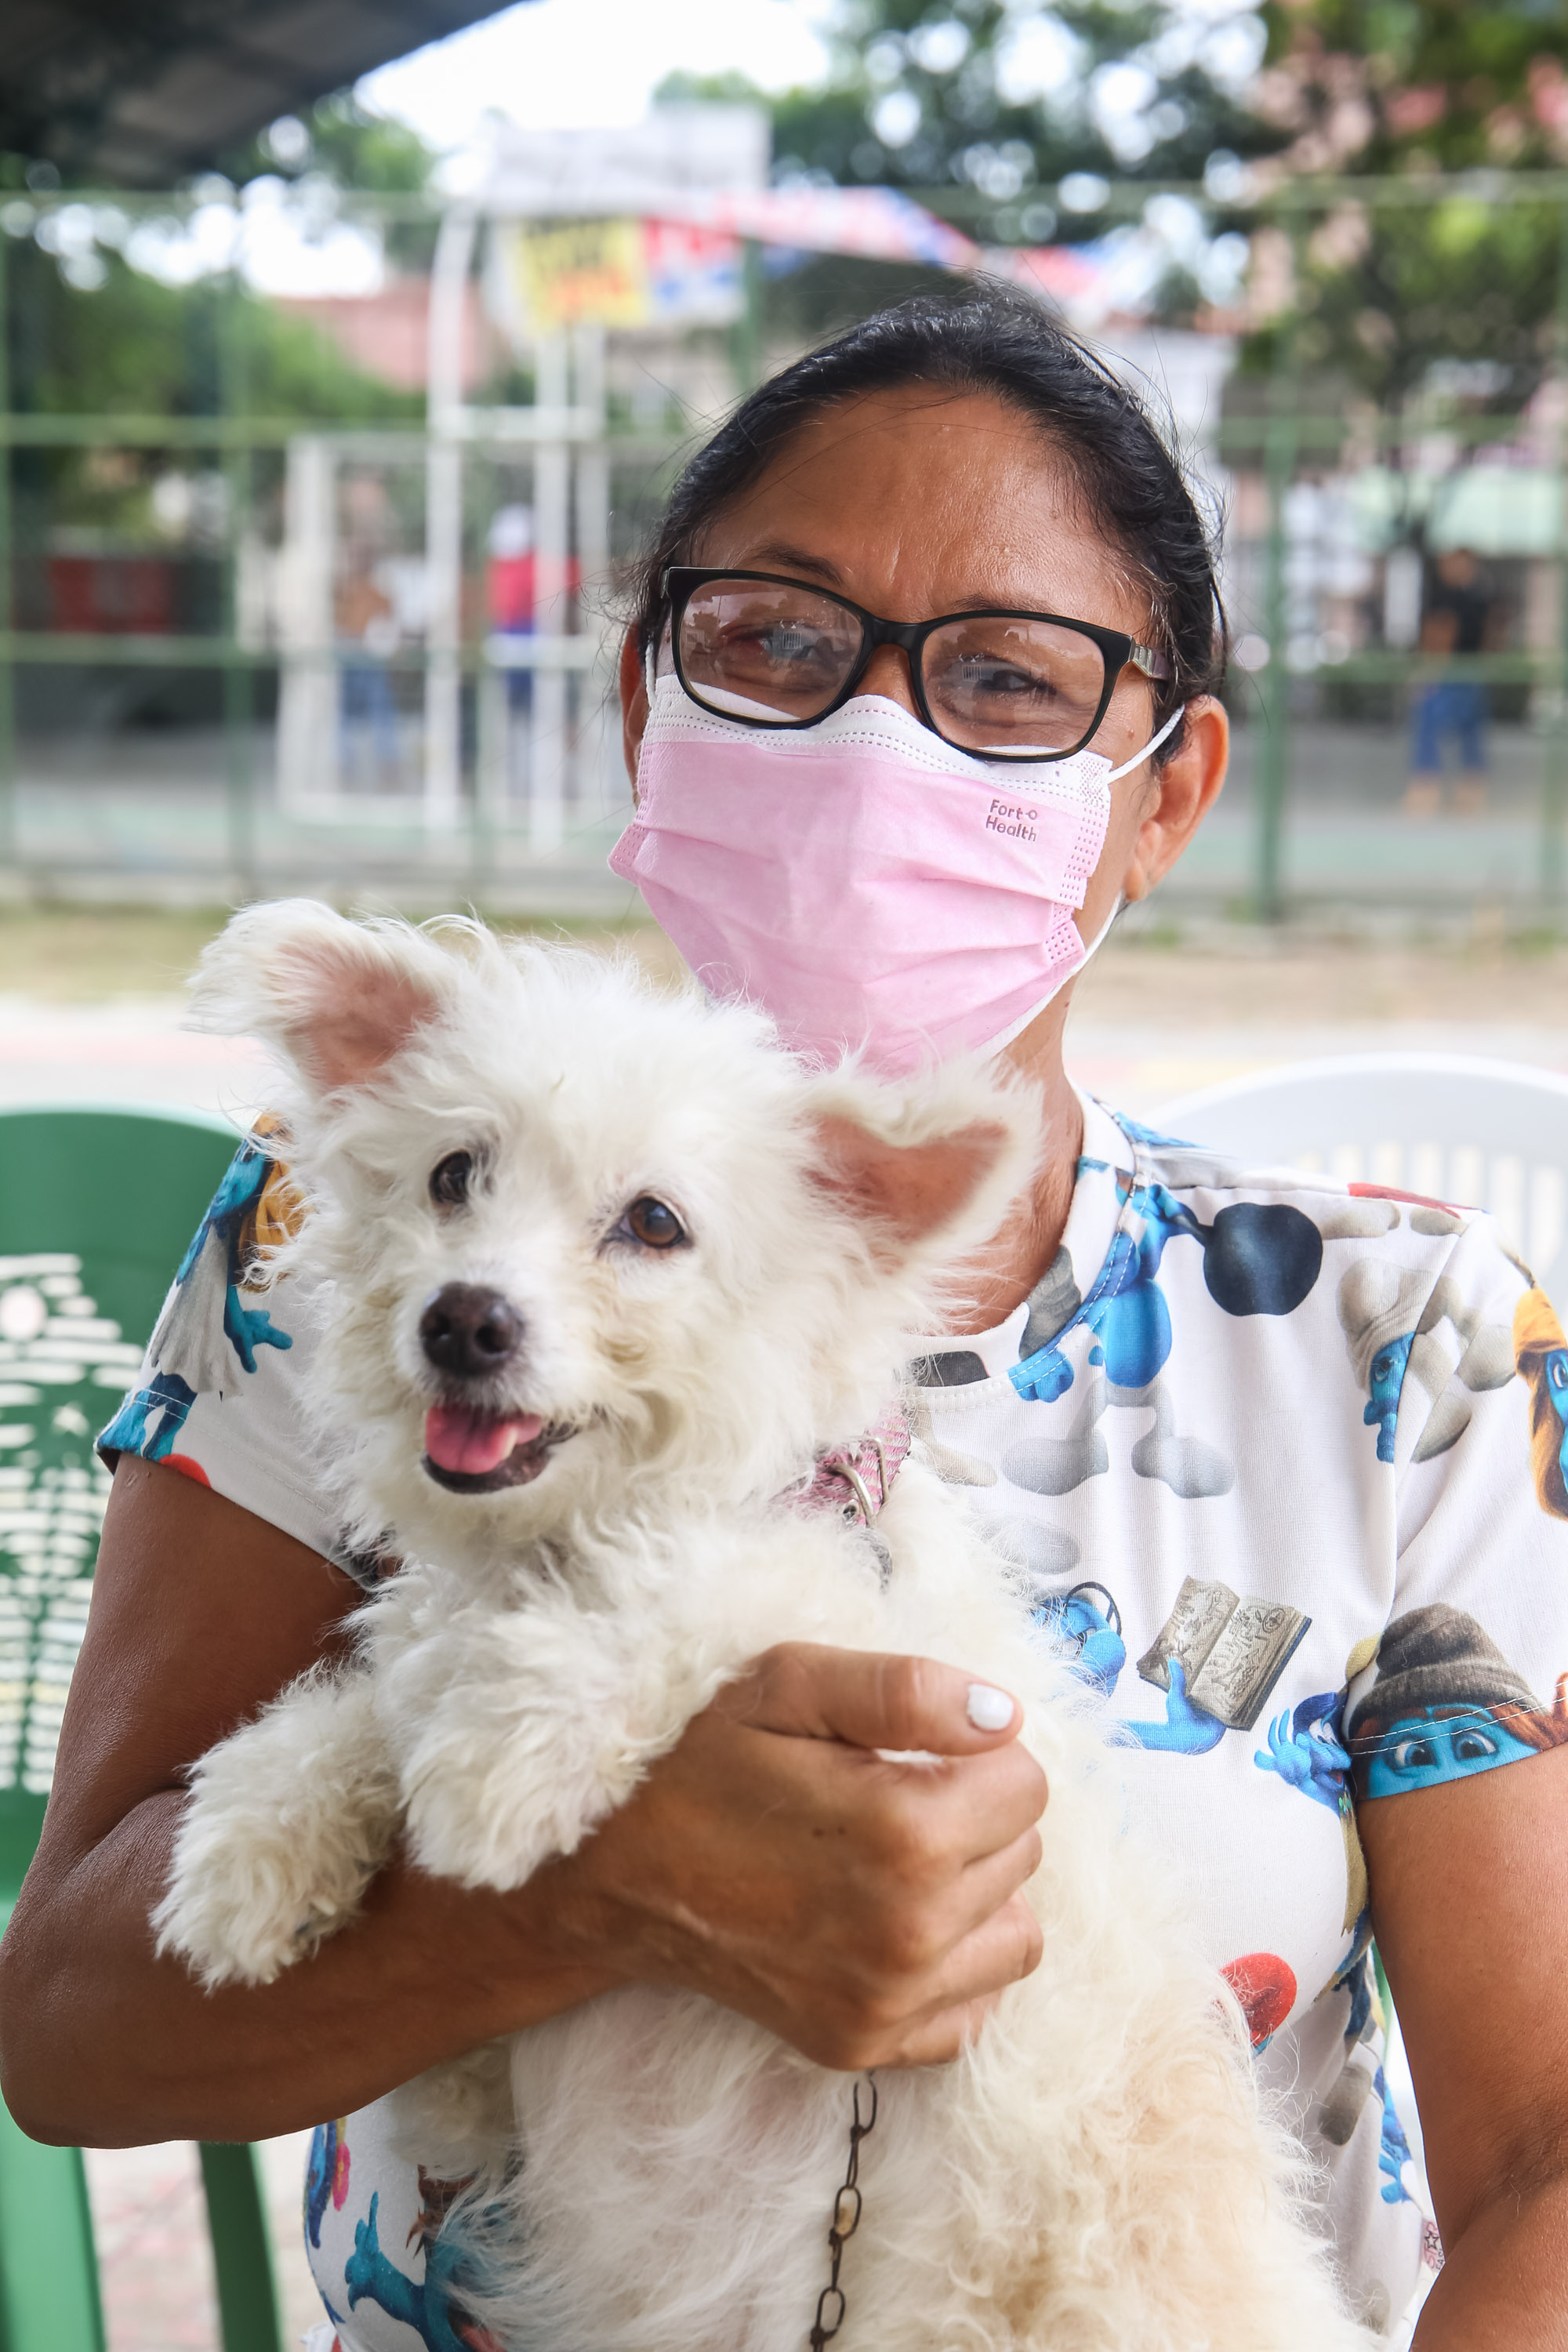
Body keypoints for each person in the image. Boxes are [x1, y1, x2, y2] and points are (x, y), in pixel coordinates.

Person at [3, 289, 1566, 2352]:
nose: (870, 744)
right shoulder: (368, 1236)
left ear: (1169, 791)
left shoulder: (1404, 1341)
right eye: (776, 641)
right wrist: (588, 1887)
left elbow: (1544, 2151)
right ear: (651, 706)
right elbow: (78, 2036)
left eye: (1008, 679)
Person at [1403, 547, 1494, 818]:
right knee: (1448, 731)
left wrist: (1429, 670)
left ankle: (1445, 793)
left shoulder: (1469, 598)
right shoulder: (1458, 597)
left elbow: (1443, 634)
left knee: (1450, 731)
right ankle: (1441, 792)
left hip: (1456, 674)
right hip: (1457, 673)